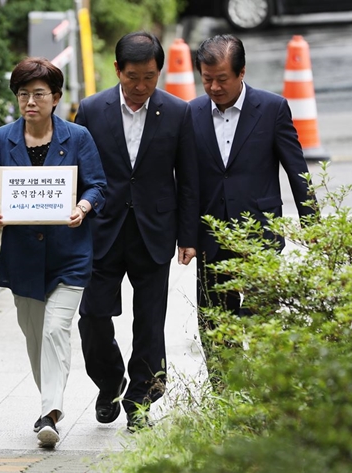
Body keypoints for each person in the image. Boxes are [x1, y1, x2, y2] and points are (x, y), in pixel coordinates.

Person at [75, 32, 200, 431]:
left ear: (159, 72)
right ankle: (109, 382)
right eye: (133, 78)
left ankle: (142, 398)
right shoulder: (93, 109)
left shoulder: (179, 112)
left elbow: (189, 178)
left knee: (150, 321)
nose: (141, 87)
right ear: (117, 71)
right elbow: (78, 172)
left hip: (155, 229)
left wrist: (188, 236)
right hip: (102, 228)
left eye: (149, 77)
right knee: (92, 315)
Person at [0, 57, 106, 449]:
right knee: (35, 338)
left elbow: (97, 186)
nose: (30, 101)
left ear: (56, 97)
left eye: (38, 94)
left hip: (69, 253)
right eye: (23, 94)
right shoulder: (2, 139)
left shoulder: (78, 137)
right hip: (23, 256)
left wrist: (82, 207)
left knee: (56, 330)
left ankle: (50, 413)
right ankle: (47, 407)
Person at [190, 34, 315, 317]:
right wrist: (186, 234)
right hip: (211, 235)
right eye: (207, 79)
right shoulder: (191, 112)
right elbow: (185, 180)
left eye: (222, 78)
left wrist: (311, 223)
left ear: (241, 72)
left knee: (263, 322)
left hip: (260, 233)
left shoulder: (272, 109)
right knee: (216, 324)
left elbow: (297, 169)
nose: (214, 87)